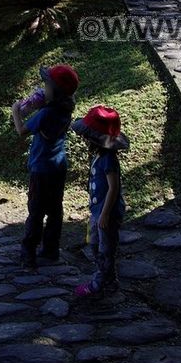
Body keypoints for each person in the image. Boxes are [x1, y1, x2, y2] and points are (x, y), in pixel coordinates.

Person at [11, 64, 79, 269]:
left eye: (47, 85)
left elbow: (22, 131)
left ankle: (28, 253)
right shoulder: (64, 110)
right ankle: (50, 251)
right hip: (58, 167)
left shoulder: (46, 114)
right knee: (55, 210)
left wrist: (16, 112)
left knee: (36, 210)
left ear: (55, 91)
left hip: (41, 168)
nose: (43, 88)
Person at [71, 105, 129, 297]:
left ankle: (100, 283)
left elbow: (114, 188)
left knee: (105, 248)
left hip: (107, 213)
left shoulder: (108, 159)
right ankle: (109, 279)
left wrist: (104, 214)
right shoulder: (99, 156)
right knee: (95, 244)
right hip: (98, 211)